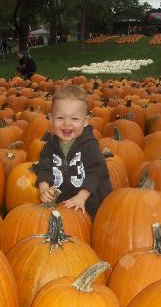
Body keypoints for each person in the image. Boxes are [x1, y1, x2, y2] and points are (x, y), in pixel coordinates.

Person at [34, 85, 112, 219]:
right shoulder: (50, 147)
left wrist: (81, 197)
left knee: (85, 226)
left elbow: (97, 172)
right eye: (60, 118)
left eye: (74, 119)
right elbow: (43, 169)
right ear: (51, 119)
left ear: (85, 121)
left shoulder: (89, 146)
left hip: (89, 202)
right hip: (63, 202)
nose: (67, 124)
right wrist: (44, 188)